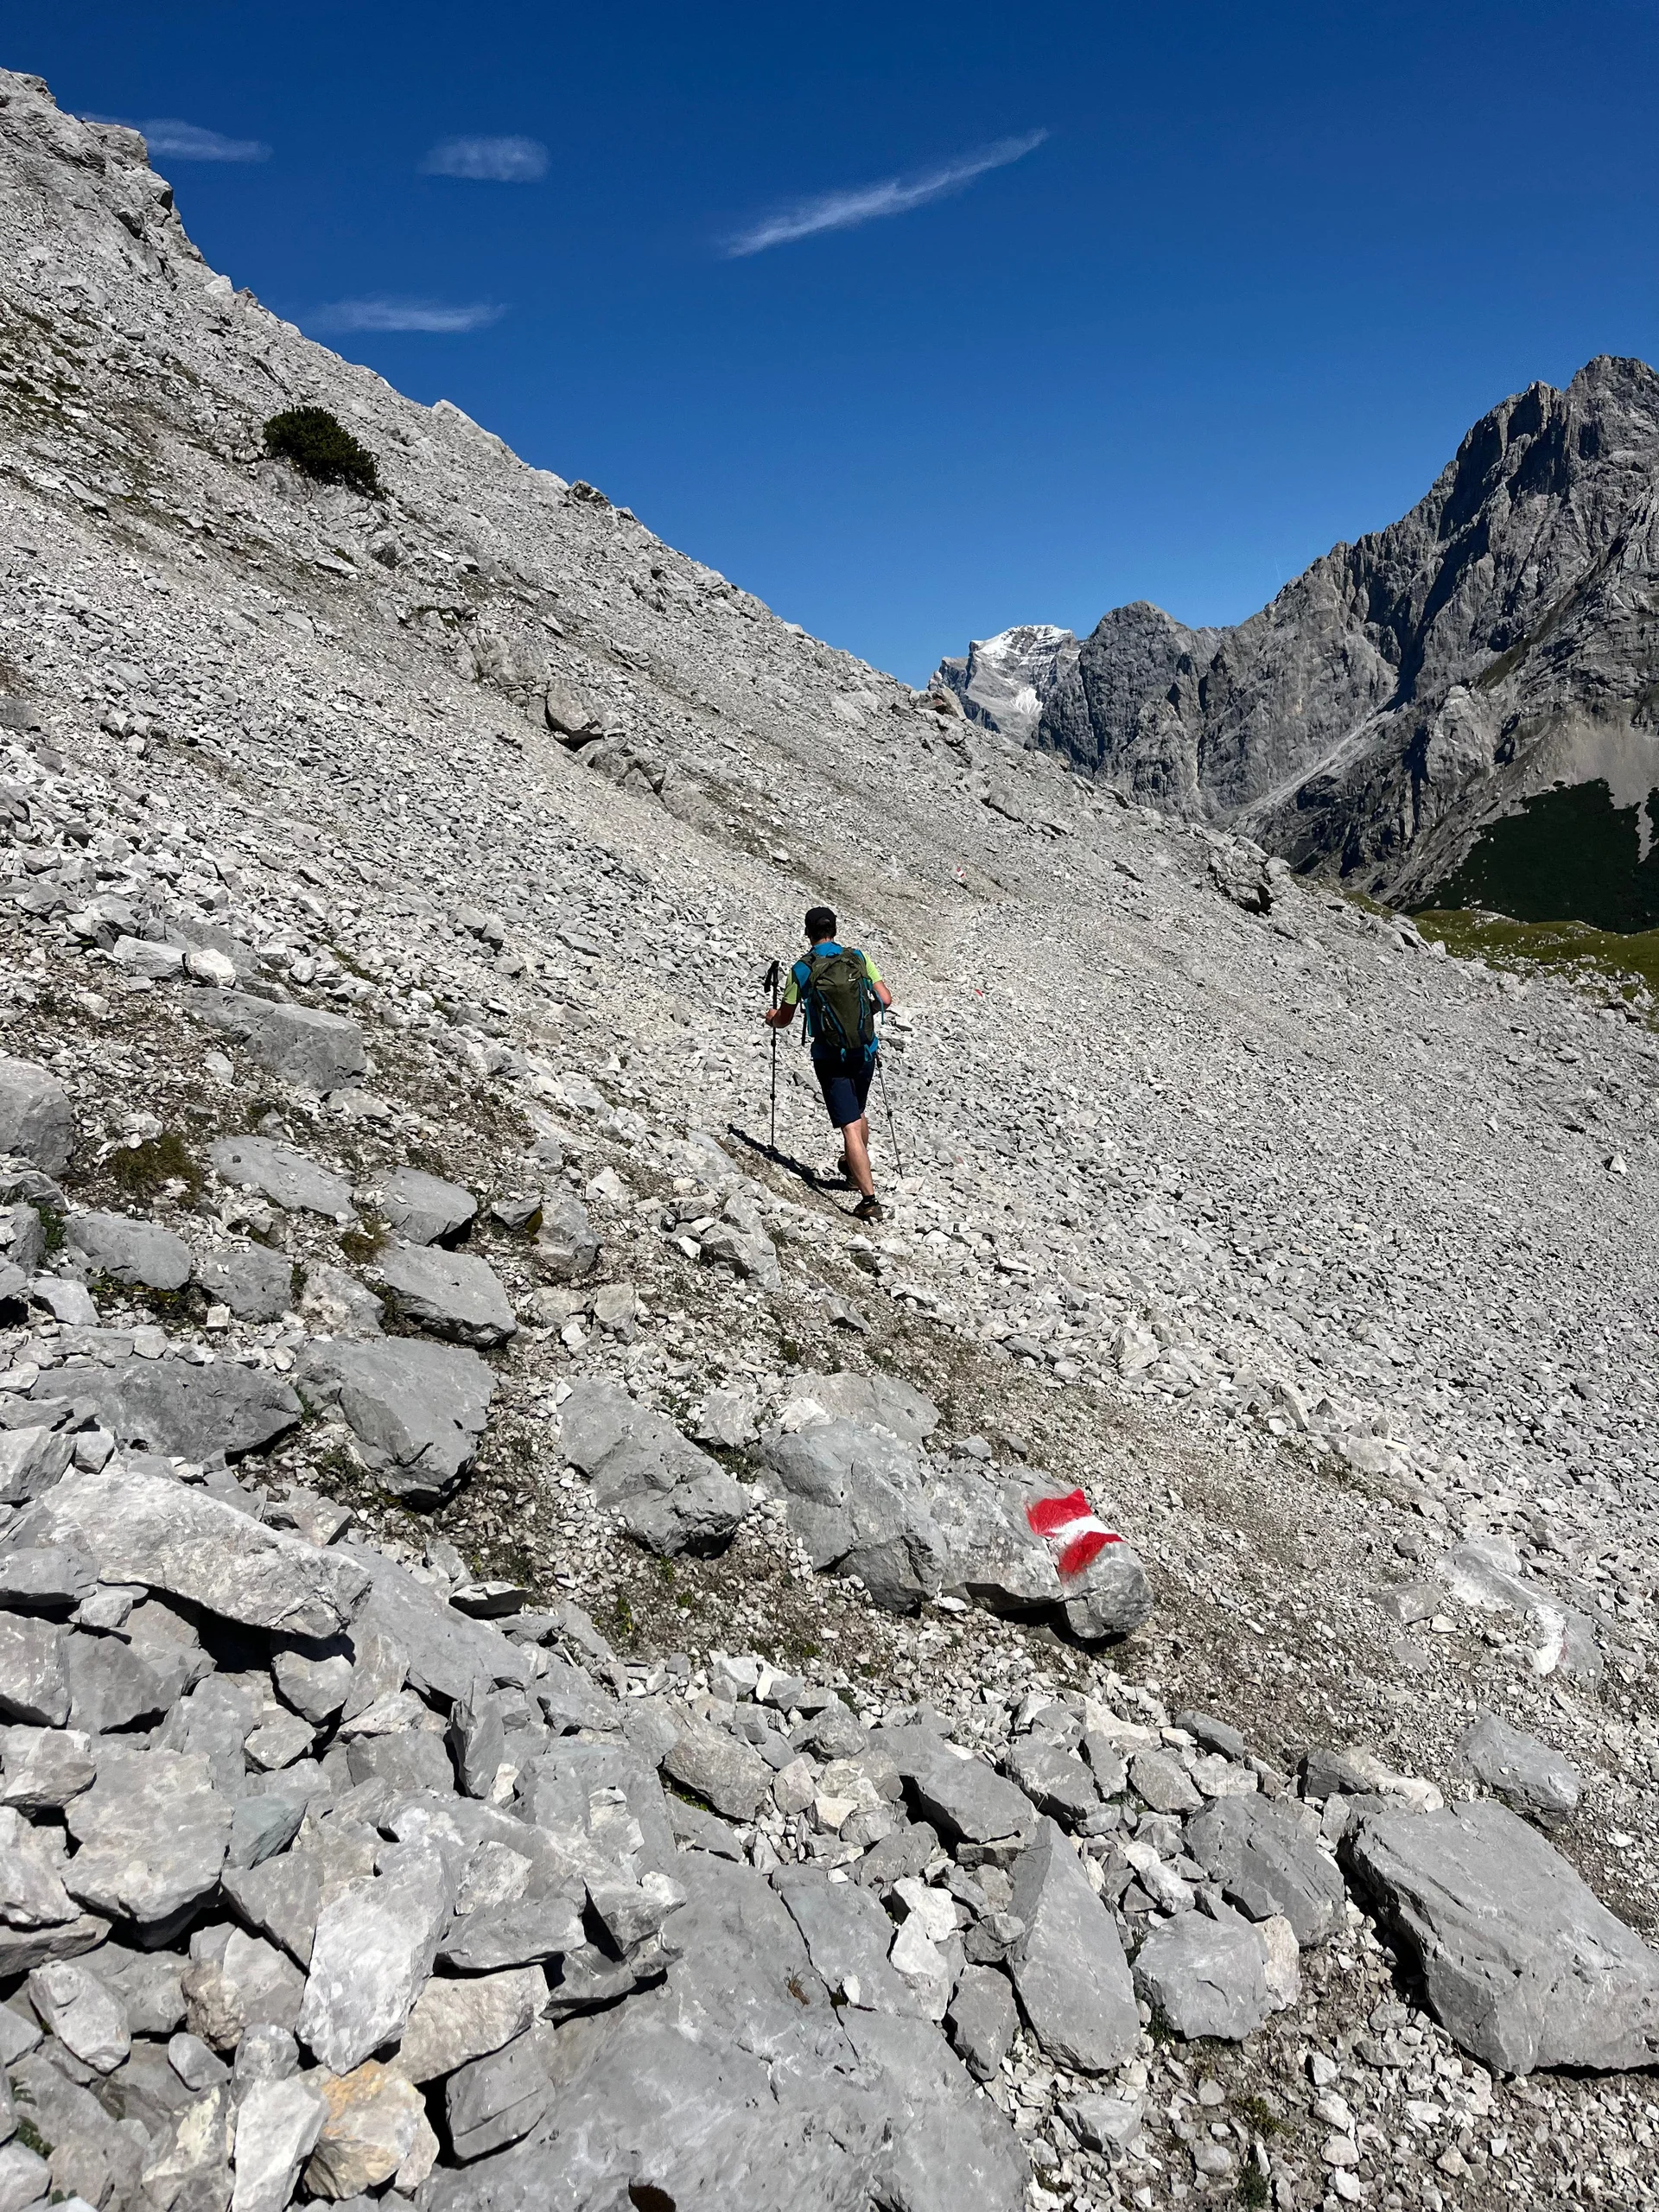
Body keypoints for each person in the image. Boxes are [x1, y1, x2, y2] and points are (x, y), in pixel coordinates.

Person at [764, 905, 892, 1220]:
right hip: (865, 1049)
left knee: (848, 1123)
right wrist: (865, 1016)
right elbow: (886, 999)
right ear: (834, 929)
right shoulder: (858, 957)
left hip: (830, 1056)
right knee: (857, 1112)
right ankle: (852, 1170)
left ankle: (869, 1199)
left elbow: (785, 1019)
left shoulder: (802, 969)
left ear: (808, 932)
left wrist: (771, 1018)